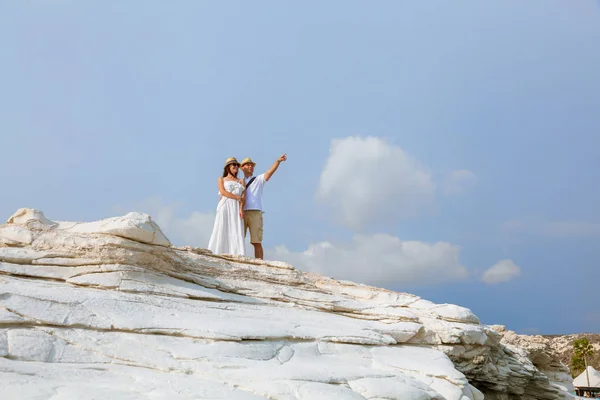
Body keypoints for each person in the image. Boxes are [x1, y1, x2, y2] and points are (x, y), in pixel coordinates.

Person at [239, 153, 287, 259]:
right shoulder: (239, 182)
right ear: (242, 168)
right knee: (238, 239)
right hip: (241, 212)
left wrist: (278, 161)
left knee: (257, 241)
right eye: (247, 165)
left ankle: (260, 263)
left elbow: (270, 172)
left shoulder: (258, 179)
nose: (250, 166)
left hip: (255, 212)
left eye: (251, 165)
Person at [207, 157, 246, 256]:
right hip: (225, 204)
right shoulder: (221, 179)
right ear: (228, 167)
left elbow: (243, 196)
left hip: (236, 207)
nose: (236, 167)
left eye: (237, 165)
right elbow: (223, 192)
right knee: (222, 226)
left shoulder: (241, 181)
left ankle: (236, 253)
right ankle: (217, 252)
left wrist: (241, 208)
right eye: (234, 165)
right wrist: (237, 197)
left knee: (235, 227)